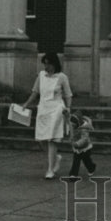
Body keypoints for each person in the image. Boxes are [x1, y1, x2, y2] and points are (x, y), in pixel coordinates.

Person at [22, 51, 72, 179]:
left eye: (48, 64)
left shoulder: (62, 77)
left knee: (51, 138)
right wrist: (26, 104)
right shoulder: (41, 76)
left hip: (56, 109)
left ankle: (50, 169)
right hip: (43, 109)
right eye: (45, 64)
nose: (46, 67)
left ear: (54, 64)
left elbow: (68, 95)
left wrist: (68, 108)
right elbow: (35, 92)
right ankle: (56, 157)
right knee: (40, 139)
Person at [64, 110, 96, 181]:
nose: (71, 126)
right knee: (76, 160)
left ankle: (91, 167)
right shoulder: (73, 124)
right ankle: (73, 174)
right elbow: (68, 121)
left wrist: (77, 143)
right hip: (77, 148)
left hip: (85, 148)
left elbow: (84, 139)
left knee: (86, 160)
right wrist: (66, 115)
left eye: (73, 125)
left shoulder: (84, 128)